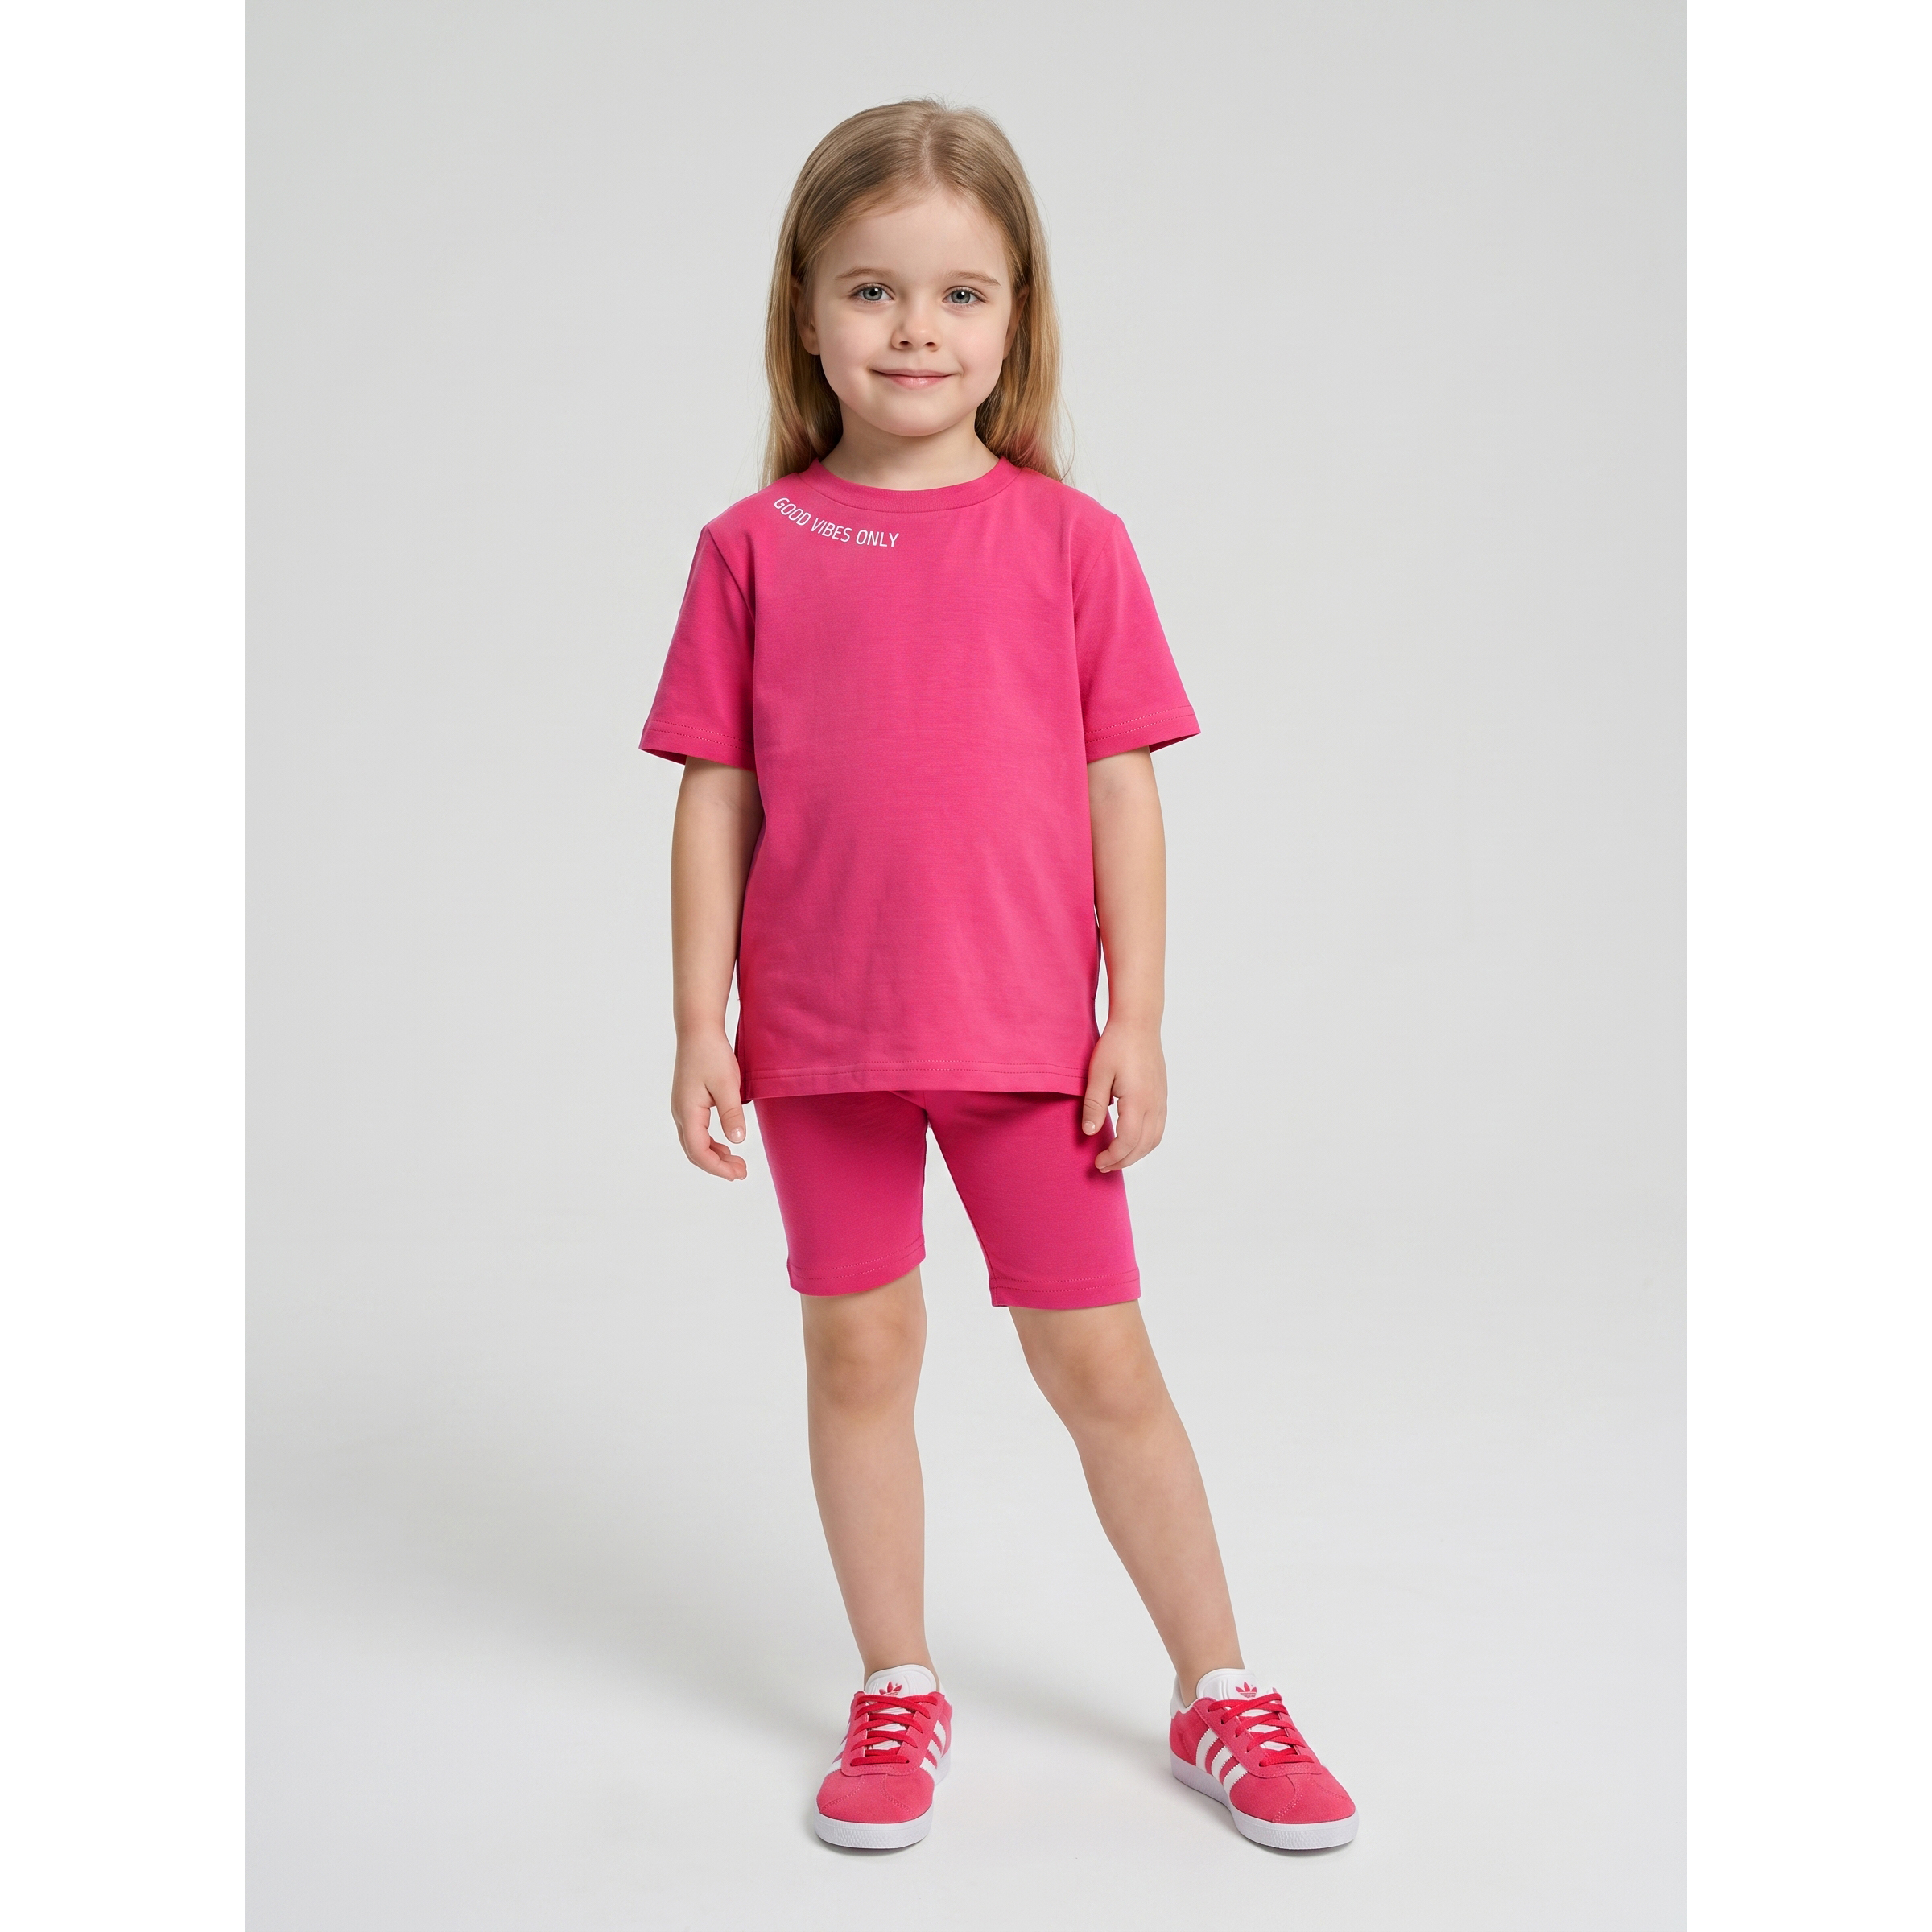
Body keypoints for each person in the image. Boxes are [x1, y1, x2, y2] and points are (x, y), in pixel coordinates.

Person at [639, 99, 1356, 1855]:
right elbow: (717, 795)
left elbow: (1124, 791)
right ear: (806, 313)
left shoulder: (1071, 543)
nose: (916, 331)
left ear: (1017, 316)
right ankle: (896, 1680)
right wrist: (697, 1024)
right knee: (859, 1351)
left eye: (960, 294)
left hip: (1032, 1042)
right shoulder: (754, 546)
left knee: (1101, 1365)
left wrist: (1138, 1019)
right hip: (820, 1042)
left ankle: (1219, 1687)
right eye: (873, 291)